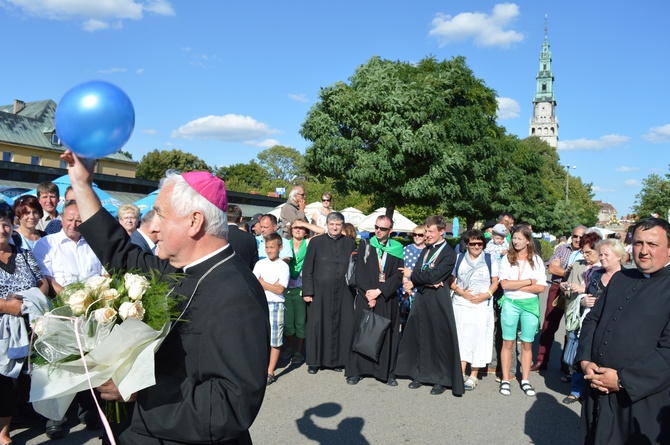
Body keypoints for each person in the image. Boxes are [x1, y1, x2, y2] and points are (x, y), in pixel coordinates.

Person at [63, 150, 270, 444]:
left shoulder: (235, 294)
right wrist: (83, 185)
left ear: (194, 222)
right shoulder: (179, 269)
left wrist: (138, 390)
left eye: (160, 214)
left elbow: (231, 405)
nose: (152, 225)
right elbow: (119, 252)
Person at [577, 218, 670, 444]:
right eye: (638, 243)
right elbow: (592, 320)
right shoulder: (620, 278)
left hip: (641, 399)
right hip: (597, 389)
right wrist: (585, 360)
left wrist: (621, 380)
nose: (644, 251)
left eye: (653, 244)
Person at [396, 215, 464, 396]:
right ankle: (420, 374)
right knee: (420, 335)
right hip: (422, 298)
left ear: (442, 232)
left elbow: (434, 276)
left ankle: (440, 379)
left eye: (430, 231)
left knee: (438, 339)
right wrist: (422, 279)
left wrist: (416, 276)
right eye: (426, 231)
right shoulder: (426, 249)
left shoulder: (449, 253)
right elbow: (425, 274)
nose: (427, 235)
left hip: (438, 300)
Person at [0, 208, 48, 445]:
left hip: (26, 323)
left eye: (6, 224)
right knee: (1, 378)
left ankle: (4, 431)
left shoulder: (22, 252)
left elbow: (42, 283)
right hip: (1, 327)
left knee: (16, 380)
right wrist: (8, 306)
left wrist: (28, 301)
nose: (2, 230)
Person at [345, 215, 403, 387]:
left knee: (386, 334)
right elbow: (359, 272)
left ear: (390, 231)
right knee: (361, 332)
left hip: (386, 297)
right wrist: (368, 294)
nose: (378, 231)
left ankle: (386, 373)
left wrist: (380, 292)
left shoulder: (397, 248)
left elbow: (398, 275)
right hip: (365, 296)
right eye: (376, 227)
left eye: (383, 228)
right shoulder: (366, 245)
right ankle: (356, 371)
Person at [301, 212, 356, 375]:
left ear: (342, 226)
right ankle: (314, 361)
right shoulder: (316, 242)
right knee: (317, 325)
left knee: (341, 324)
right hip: (319, 292)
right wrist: (307, 291)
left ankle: (338, 360)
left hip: (344, 291)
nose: (334, 227)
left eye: (338, 224)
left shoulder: (350, 244)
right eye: (332, 224)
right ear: (327, 225)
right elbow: (308, 268)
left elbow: (354, 268)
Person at [497, 225, 547, 397]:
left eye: (520, 238)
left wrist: (516, 287)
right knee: (508, 343)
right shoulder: (507, 259)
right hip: (510, 303)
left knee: (527, 344)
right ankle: (505, 379)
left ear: (528, 240)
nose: (516, 241)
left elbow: (541, 288)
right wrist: (528, 282)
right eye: (514, 238)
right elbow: (504, 285)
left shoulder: (537, 260)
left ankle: (525, 380)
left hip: (530, 305)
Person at [532, 224, 586, 372]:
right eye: (575, 236)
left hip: (576, 293)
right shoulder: (562, 249)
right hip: (557, 289)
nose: (577, 239)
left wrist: (568, 274)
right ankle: (541, 360)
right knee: (549, 326)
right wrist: (572, 274)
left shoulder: (587, 252)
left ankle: (566, 365)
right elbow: (552, 268)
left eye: (581, 237)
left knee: (571, 329)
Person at [449, 229, 498, 391]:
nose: (476, 246)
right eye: (472, 243)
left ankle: (474, 375)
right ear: (467, 244)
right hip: (461, 304)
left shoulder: (490, 259)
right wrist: (462, 292)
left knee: (479, 338)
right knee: (462, 338)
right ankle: (461, 372)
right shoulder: (459, 259)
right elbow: (451, 281)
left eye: (479, 243)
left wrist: (485, 295)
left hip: (482, 305)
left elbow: (495, 282)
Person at [33, 200, 107, 296]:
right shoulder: (46, 243)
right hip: (62, 300)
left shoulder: (96, 242)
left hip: (96, 298)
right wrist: (69, 297)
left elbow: (106, 273)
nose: (73, 225)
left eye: (78, 221)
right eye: (70, 220)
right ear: (62, 218)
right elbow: (45, 277)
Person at [253, 233, 290, 386]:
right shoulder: (260, 264)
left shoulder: (283, 266)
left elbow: (280, 290)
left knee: (275, 339)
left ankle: (270, 371)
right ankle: (259, 367)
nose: (269, 250)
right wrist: (270, 285)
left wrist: (264, 283)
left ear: (280, 248)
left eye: (272, 247)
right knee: (260, 338)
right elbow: (255, 284)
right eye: (267, 247)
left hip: (276, 304)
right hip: (261, 303)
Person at [282, 224, 310, 364]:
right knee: (288, 322)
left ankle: (299, 351)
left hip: (301, 287)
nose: (298, 230)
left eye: (301, 228)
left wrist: (304, 222)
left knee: (300, 322)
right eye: (295, 228)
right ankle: (290, 348)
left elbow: (322, 231)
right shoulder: (285, 243)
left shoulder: (309, 243)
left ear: (305, 231)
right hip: (286, 286)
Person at [398, 225, 426, 330]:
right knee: (405, 319)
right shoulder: (406, 249)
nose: (417, 237)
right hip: (406, 290)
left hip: (420, 289)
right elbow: (401, 269)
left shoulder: (428, 251)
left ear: (425, 237)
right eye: (415, 234)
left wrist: (413, 284)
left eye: (420, 235)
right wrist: (406, 284)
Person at [226, 204, 259, 269]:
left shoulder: (218, 235)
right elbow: (254, 263)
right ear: (241, 219)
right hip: (244, 276)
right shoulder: (250, 238)